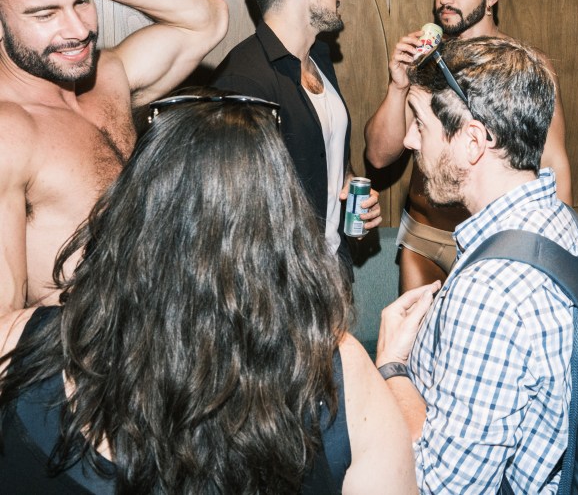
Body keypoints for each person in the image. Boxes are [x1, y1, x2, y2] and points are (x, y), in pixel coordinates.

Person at [0, 93, 415, 493]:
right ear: (282, 222)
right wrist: (393, 367)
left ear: (130, 209)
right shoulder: (338, 369)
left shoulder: (18, 340)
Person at [373, 36, 578, 492]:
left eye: (421, 124)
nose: (409, 140)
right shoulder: (559, 221)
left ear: (472, 141)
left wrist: (392, 365)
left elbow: (440, 486)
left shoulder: (491, 292)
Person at [0, 0, 228, 315]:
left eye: (82, 1)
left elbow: (207, 19)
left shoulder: (108, 75)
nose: (79, 30)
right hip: (79, 366)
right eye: (45, 13)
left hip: (159, 343)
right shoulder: (9, 132)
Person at [363, 0, 572, 292]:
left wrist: (557, 249)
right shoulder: (425, 58)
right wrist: (398, 85)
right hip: (424, 237)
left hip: (494, 237)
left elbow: (554, 162)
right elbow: (379, 156)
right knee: (416, 344)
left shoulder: (522, 65)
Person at [211, 0, 380, 279]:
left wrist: (351, 192)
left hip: (333, 268)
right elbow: (237, 212)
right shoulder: (243, 79)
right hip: (282, 287)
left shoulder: (319, 57)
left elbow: (328, 160)